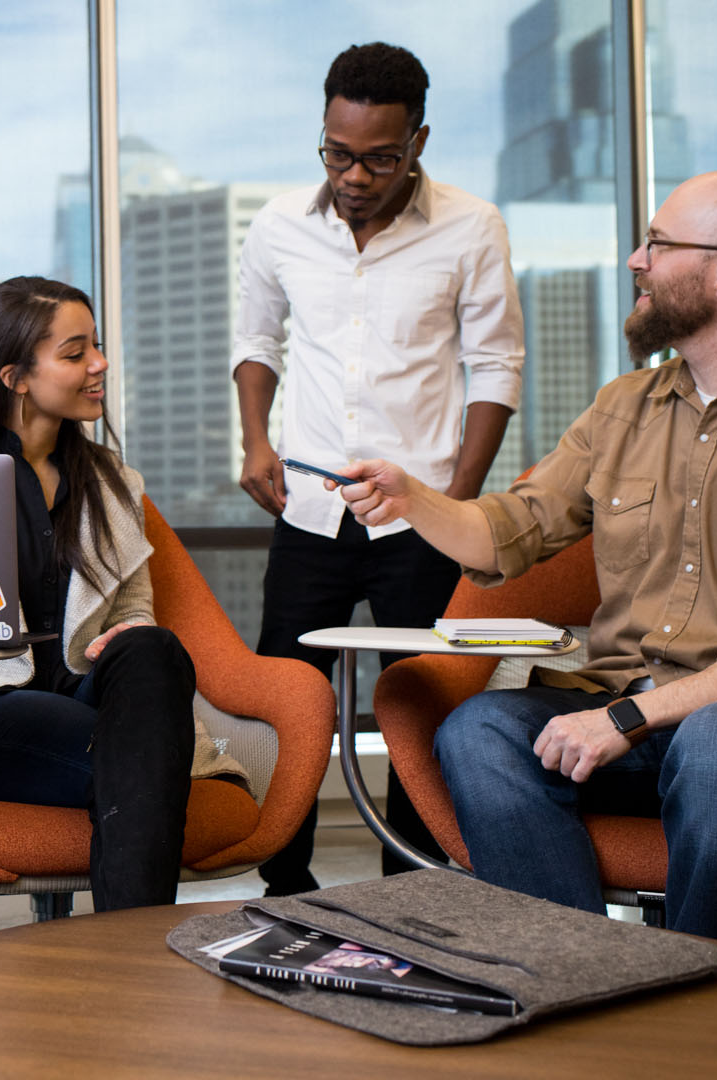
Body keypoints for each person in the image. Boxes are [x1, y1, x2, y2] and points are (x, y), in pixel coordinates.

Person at [333, 170, 717, 949]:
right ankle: (581, 975)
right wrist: (413, 501)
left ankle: (706, 1012)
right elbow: (512, 528)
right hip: (631, 720)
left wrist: (626, 717)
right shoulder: (623, 408)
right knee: (480, 730)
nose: (637, 260)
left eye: (659, 243)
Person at [232, 42, 525, 893]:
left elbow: (495, 368)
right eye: (338, 152)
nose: (355, 176)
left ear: (419, 141)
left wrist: (457, 504)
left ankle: (412, 884)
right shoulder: (280, 224)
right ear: (323, 133)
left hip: (421, 515)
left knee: (418, 706)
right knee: (287, 698)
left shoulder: (472, 226)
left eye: (379, 157)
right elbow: (257, 340)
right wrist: (255, 439)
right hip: (312, 510)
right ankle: (284, 882)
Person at [0, 276, 241, 912]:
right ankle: (139, 943)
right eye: (75, 353)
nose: (99, 365)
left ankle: (126, 943)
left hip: (84, 699)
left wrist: (122, 635)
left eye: (95, 346)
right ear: (14, 376)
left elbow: (133, 612)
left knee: (155, 650)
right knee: (147, 758)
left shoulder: (114, 483)